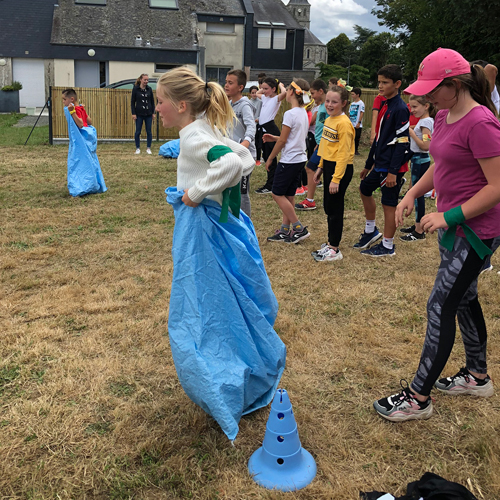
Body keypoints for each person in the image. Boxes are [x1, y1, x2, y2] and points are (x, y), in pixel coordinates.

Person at [158, 67, 286, 440]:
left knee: (203, 307)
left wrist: (195, 194)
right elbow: (245, 157)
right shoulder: (203, 131)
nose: (157, 108)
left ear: (181, 105)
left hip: (204, 231)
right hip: (216, 224)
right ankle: (244, 366)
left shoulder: (195, 136)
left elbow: (232, 163)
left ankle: (222, 378)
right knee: (228, 302)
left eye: (162, 101)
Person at [373, 48, 500, 422]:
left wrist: (448, 216)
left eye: (433, 89)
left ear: (456, 84)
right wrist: (413, 193)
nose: (425, 96)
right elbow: (441, 164)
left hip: (477, 231)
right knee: (463, 298)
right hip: (456, 227)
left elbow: (496, 186)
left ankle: (418, 398)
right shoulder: (444, 115)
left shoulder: (480, 123)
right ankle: (477, 376)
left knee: (440, 305)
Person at [354, 64, 410, 257]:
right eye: (379, 82)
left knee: (389, 204)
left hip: (391, 168)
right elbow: (379, 139)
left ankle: (387, 246)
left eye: (385, 82)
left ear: (397, 84)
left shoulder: (401, 108)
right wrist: (369, 164)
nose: (380, 86)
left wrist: (393, 172)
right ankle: (371, 231)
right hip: (380, 165)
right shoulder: (385, 105)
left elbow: (403, 143)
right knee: (364, 189)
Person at [264, 79, 311, 244]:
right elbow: (291, 138)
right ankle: (285, 230)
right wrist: (274, 137)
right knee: (289, 195)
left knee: (277, 193)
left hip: (289, 160)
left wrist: (270, 158)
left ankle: (298, 228)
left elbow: (283, 142)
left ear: (291, 92)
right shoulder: (303, 113)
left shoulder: (290, 114)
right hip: (299, 159)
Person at [311, 85, 355, 262]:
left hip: (341, 169)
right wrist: (321, 167)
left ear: (343, 103)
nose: (329, 104)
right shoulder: (329, 119)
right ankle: (330, 242)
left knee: (335, 208)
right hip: (329, 166)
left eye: (334, 102)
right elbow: (326, 146)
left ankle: (334, 249)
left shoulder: (344, 124)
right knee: (328, 206)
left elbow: (343, 154)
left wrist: (336, 179)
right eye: (328, 101)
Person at [400, 95, 435, 241]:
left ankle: (419, 231)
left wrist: (412, 134)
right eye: (410, 107)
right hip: (418, 160)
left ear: (426, 106)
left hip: (420, 160)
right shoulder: (425, 120)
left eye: (415, 107)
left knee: (417, 195)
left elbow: (426, 145)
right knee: (415, 194)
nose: (412, 110)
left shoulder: (426, 122)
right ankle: (416, 225)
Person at [62, 88, 107, 197]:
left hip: (81, 142)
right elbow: (89, 121)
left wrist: (72, 113)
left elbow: (81, 124)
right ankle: (93, 183)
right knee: (91, 162)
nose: (63, 102)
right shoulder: (81, 108)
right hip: (88, 140)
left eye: (64, 99)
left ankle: (81, 186)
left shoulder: (75, 109)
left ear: (71, 99)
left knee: (79, 163)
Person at [225, 69, 256, 217]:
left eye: (230, 83)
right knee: (229, 188)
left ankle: (245, 225)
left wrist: (245, 143)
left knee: (242, 192)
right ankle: (232, 219)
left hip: (244, 156)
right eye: (226, 82)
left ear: (240, 87)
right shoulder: (229, 104)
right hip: (231, 154)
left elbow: (251, 125)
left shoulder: (245, 105)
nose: (226, 85)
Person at [295, 78, 328, 211]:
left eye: (313, 93)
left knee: (311, 168)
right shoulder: (321, 106)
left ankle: (311, 200)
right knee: (312, 168)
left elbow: (329, 126)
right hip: (320, 144)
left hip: (326, 146)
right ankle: (311, 199)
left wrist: (323, 143)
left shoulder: (328, 106)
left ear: (321, 91)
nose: (312, 96)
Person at [254, 78, 287, 194]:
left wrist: (280, 85)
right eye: (262, 88)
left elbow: (285, 93)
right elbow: (257, 93)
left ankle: (271, 184)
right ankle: (270, 182)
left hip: (270, 129)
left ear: (273, 89)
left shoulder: (275, 99)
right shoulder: (264, 98)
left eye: (266, 88)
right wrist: (263, 90)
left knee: (271, 158)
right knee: (266, 156)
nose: (263, 91)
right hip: (263, 129)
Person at [131, 73, 155, 155]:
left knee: (149, 131)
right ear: (141, 80)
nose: (146, 81)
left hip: (148, 113)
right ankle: (137, 148)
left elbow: (152, 101)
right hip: (139, 114)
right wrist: (133, 113)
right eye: (145, 80)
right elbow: (132, 102)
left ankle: (148, 148)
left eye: (147, 80)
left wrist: (153, 113)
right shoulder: (135, 89)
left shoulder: (149, 89)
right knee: (138, 131)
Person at [249, 85, 263, 166]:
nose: (254, 94)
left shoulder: (260, 102)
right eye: (252, 93)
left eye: (255, 93)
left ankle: (258, 159)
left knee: (258, 143)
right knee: (251, 142)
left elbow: (262, 113)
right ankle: (251, 158)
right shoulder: (248, 102)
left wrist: (258, 119)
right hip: (251, 125)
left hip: (258, 125)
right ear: (250, 94)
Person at [348, 87, 365, 155]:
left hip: (357, 124)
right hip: (351, 123)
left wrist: (359, 122)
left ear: (357, 95)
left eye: (353, 94)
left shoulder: (361, 103)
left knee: (357, 137)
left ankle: (356, 150)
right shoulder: (352, 104)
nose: (352, 96)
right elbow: (349, 113)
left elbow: (361, 113)